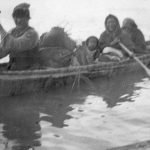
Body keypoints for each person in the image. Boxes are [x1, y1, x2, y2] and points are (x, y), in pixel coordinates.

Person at [0, 3, 39, 70]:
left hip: (28, 70)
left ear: (27, 18)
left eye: (21, 17)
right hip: (12, 68)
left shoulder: (32, 34)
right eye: (16, 17)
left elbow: (16, 44)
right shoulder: (12, 32)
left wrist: (0, 27)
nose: (18, 20)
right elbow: (3, 50)